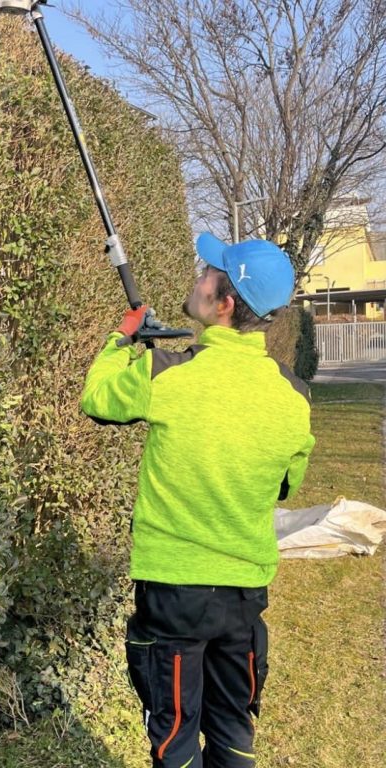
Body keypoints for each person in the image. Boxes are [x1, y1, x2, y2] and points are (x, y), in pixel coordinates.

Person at [80, 234, 315, 768]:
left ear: (225, 304)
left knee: (175, 736)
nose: (198, 275)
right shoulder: (294, 395)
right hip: (242, 597)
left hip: (174, 594)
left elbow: (96, 396)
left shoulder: (167, 372)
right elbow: (285, 485)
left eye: (209, 272)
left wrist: (121, 338)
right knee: (233, 731)